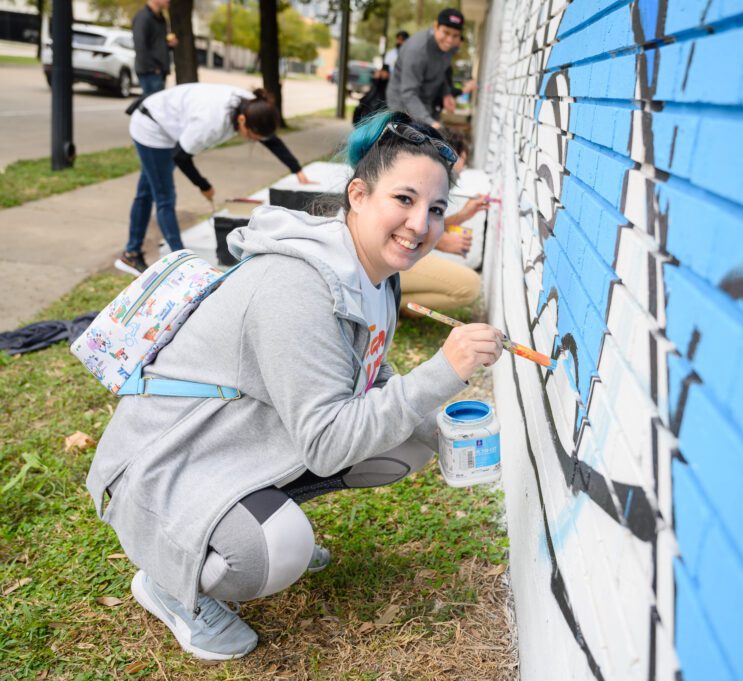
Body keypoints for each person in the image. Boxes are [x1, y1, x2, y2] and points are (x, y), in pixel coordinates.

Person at [86, 109, 506, 660]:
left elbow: (368, 373)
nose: (420, 224)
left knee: (406, 442)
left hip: (240, 438)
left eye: (434, 209)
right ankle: (168, 584)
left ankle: (253, 513)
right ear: (357, 196)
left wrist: (433, 422)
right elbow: (329, 441)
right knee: (274, 550)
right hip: (167, 459)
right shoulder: (299, 286)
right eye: (403, 200)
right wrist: (442, 371)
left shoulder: (374, 271)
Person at [116, 83, 313, 276]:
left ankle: (131, 253)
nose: (254, 140)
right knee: (164, 196)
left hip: (165, 119)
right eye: (253, 136)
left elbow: (270, 140)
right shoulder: (211, 123)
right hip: (152, 125)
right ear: (242, 121)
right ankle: (182, 265)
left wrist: (297, 170)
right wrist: (204, 185)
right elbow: (181, 156)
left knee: (147, 191)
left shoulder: (253, 108)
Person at [400, 128, 489, 313]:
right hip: (379, 265)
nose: (461, 172)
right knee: (470, 287)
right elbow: (402, 224)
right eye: (461, 163)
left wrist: (462, 216)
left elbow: (418, 220)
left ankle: (386, 300)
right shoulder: (421, 180)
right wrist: (438, 242)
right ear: (451, 154)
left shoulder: (418, 173)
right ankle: (386, 301)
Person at [386, 9, 464, 128]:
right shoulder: (417, 50)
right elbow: (408, 93)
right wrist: (430, 123)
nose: (450, 40)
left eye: (455, 35)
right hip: (403, 105)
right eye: (446, 33)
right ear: (436, 26)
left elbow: (441, 71)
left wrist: (446, 94)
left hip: (426, 101)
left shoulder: (451, 46)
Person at [131, 0, 176, 96]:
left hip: (159, 71)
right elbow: (140, 46)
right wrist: (154, 68)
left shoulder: (161, 19)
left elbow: (156, 45)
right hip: (150, 72)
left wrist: (169, 45)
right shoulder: (143, 17)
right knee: (152, 105)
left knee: (155, 105)